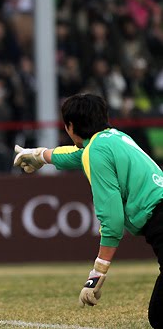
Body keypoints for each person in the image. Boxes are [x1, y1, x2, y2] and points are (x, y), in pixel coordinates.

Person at [13, 93, 163, 329]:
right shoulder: (114, 137)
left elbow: (112, 220)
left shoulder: (96, 150)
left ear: (70, 126)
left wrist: (97, 274)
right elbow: (77, 155)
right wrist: (40, 155)